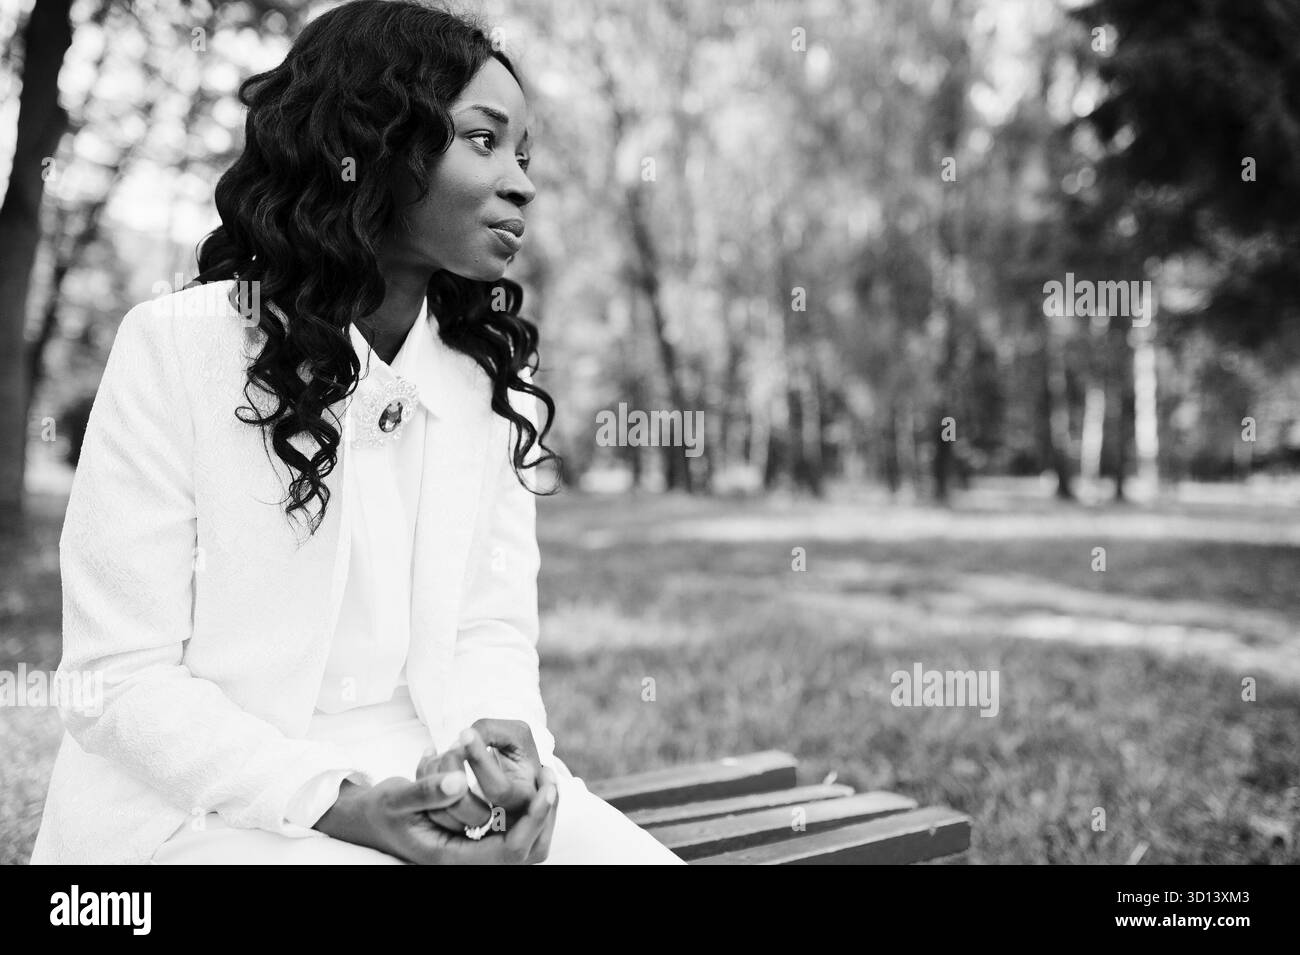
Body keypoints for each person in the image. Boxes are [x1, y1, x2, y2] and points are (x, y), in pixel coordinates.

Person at [29, 0, 684, 866]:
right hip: (197, 810)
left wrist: (504, 742)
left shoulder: (491, 383)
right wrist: (345, 806)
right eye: (483, 141)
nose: (522, 181)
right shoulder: (177, 348)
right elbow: (118, 681)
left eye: (524, 153)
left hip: (417, 779)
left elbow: (488, 630)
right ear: (371, 145)